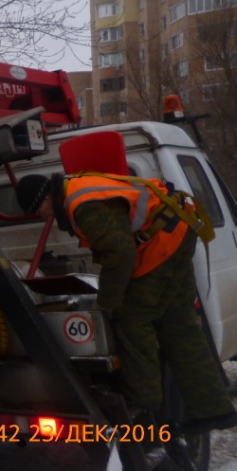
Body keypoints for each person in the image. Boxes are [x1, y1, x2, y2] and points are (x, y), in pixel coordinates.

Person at [15, 172, 237, 435]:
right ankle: (214, 410)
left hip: (161, 246)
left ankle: (144, 404)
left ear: (48, 196)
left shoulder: (81, 204)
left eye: (39, 209)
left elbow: (119, 251)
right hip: (174, 235)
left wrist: (106, 303)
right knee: (179, 326)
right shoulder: (77, 188)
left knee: (132, 320)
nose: (42, 216)